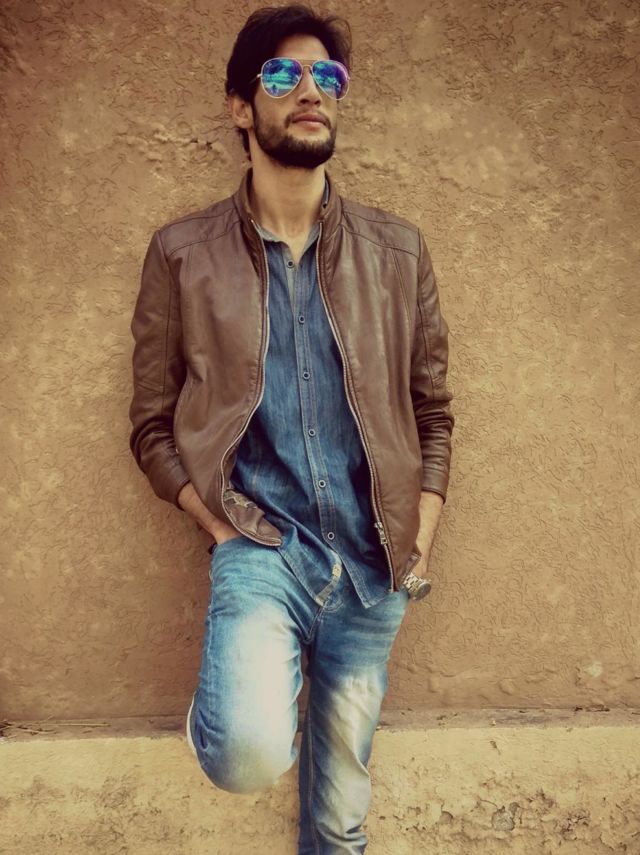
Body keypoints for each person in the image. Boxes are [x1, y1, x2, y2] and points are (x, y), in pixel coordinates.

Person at [129, 5, 454, 852]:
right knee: (246, 752)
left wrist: (422, 525)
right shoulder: (183, 253)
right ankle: (235, 712)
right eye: (283, 74)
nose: (311, 90)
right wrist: (216, 525)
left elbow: (432, 408)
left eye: (327, 76)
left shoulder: (398, 252)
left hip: (375, 559)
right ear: (241, 107)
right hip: (260, 544)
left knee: (341, 813)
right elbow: (152, 422)